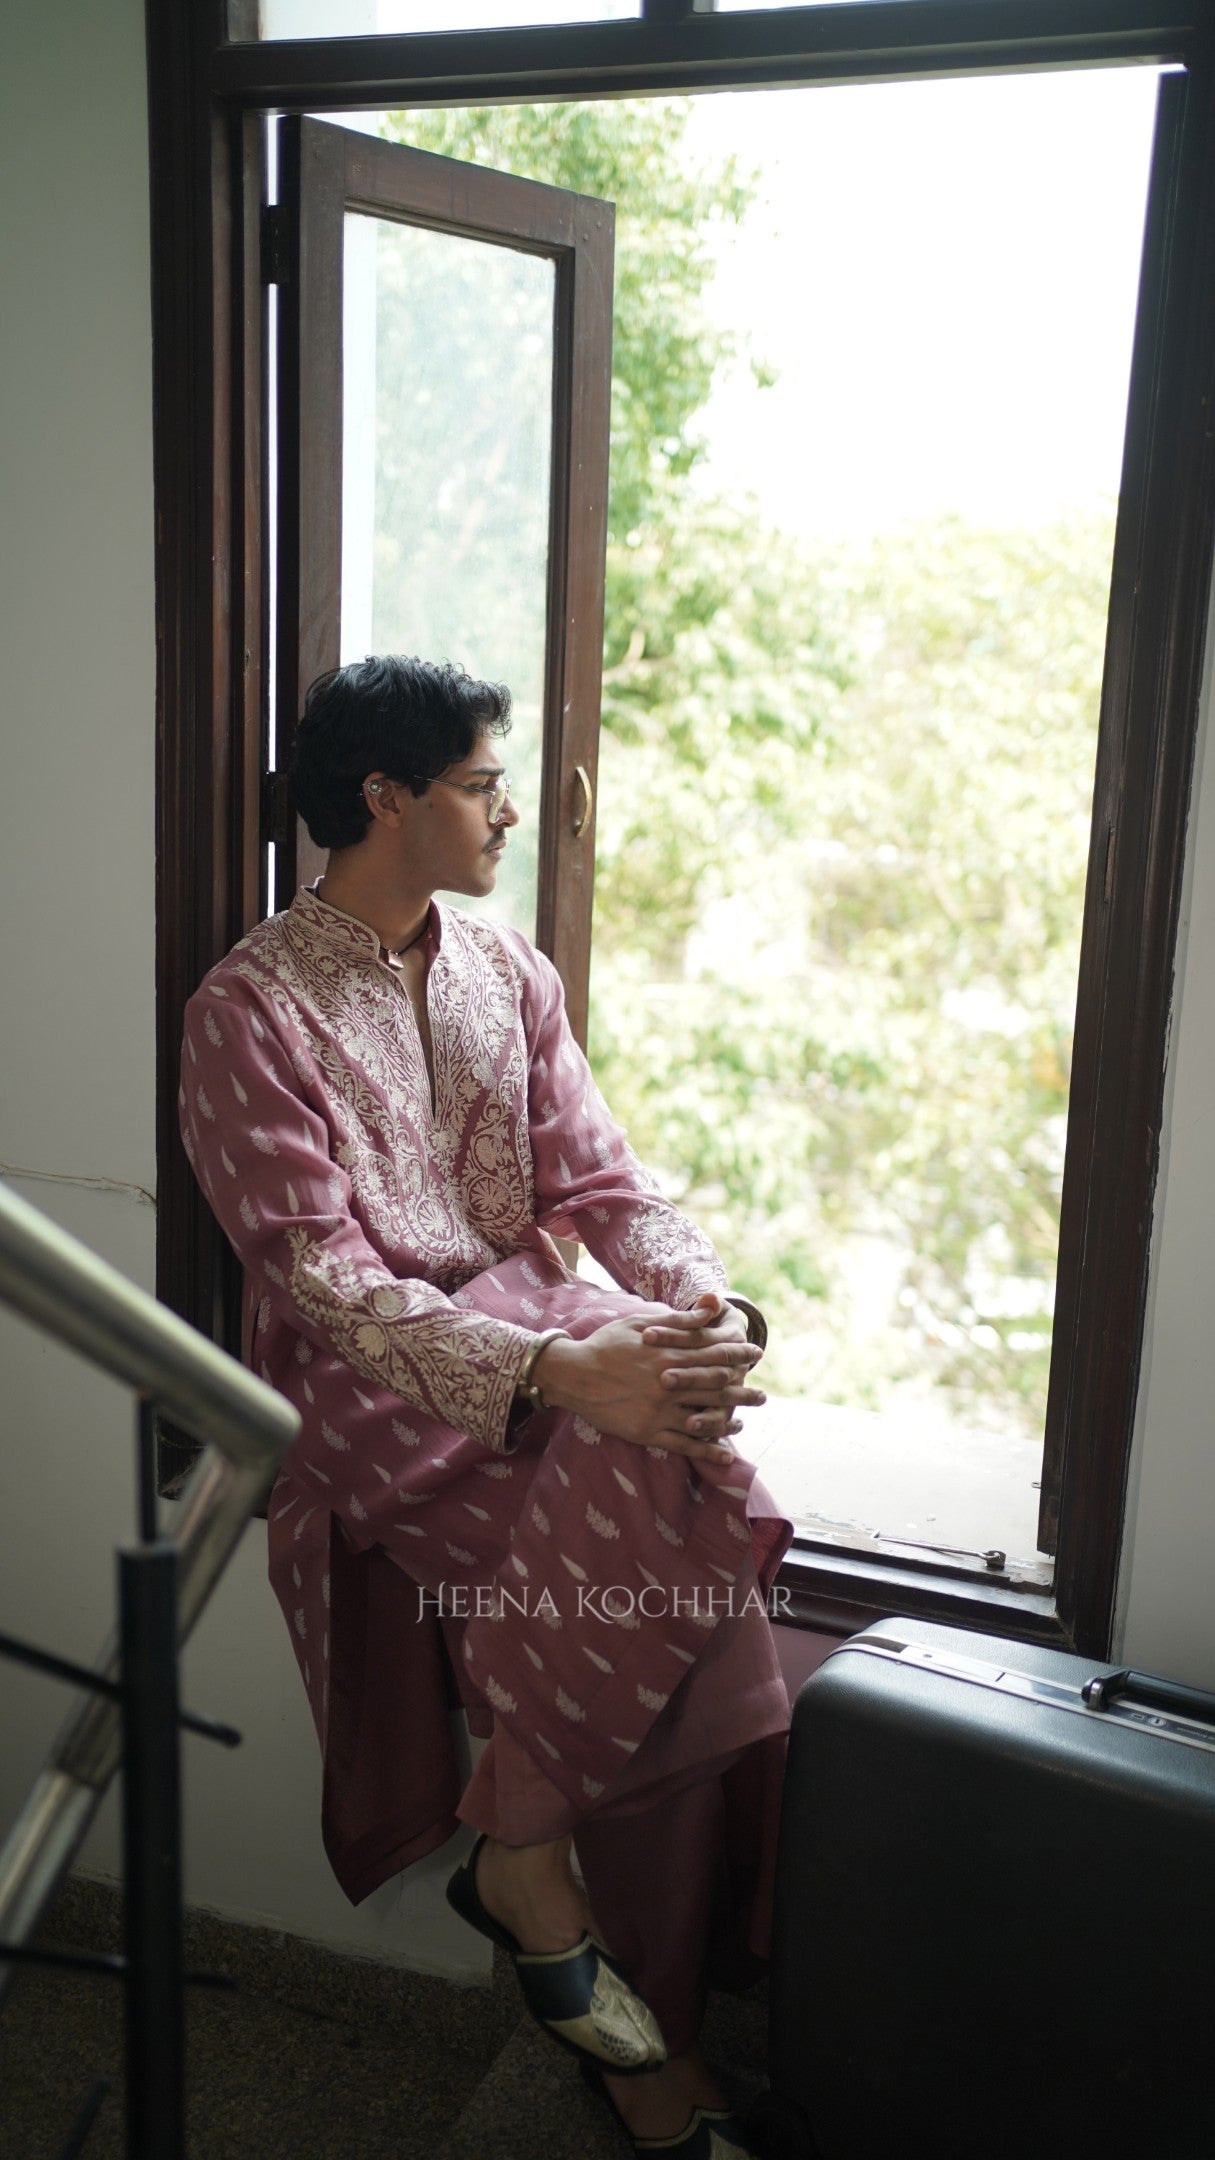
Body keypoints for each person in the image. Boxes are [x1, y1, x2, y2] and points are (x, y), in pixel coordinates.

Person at [179, 655, 792, 2157]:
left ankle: (527, 1857)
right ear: (387, 798)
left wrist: (703, 1308)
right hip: (366, 1382)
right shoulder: (246, 1010)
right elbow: (318, 1277)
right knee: (677, 1511)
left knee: (682, 1451)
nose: (514, 813)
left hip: (534, 1317)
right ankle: (630, 2023)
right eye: (483, 785)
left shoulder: (507, 970)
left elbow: (605, 1183)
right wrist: (555, 1374)